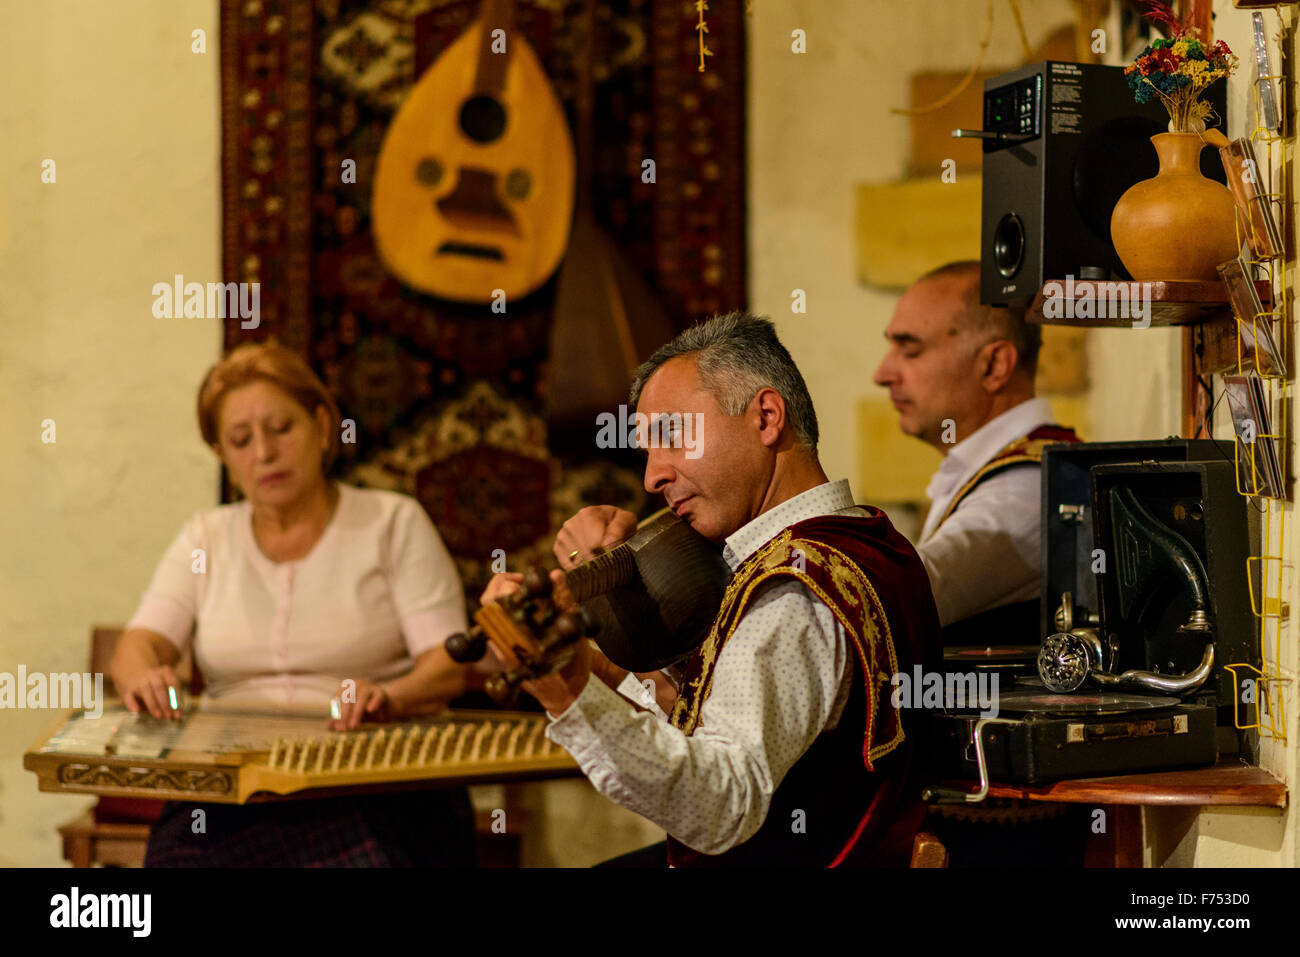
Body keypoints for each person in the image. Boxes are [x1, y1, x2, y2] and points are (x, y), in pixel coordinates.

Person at [482, 313, 942, 867]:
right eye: (647, 451)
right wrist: (584, 667)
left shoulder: (792, 590)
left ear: (766, 417)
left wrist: (567, 693)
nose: (652, 476)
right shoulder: (868, 537)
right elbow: (699, 720)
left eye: (671, 437)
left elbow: (721, 806)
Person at [109, 341, 476, 867]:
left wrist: (389, 698)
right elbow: (136, 647)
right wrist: (144, 675)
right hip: (232, 781)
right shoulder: (205, 538)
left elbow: (446, 668)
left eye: (281, 429)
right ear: (222, 455)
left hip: (373, 779)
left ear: (322, 427)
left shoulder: (392, 523)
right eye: (240, 439)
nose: (263, 453)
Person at [873, 260, 1079, 641]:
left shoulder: (1031, 486)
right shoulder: (994, 469)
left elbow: (897, 597)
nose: (882, 374)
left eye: (910, 350)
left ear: (994, 365)